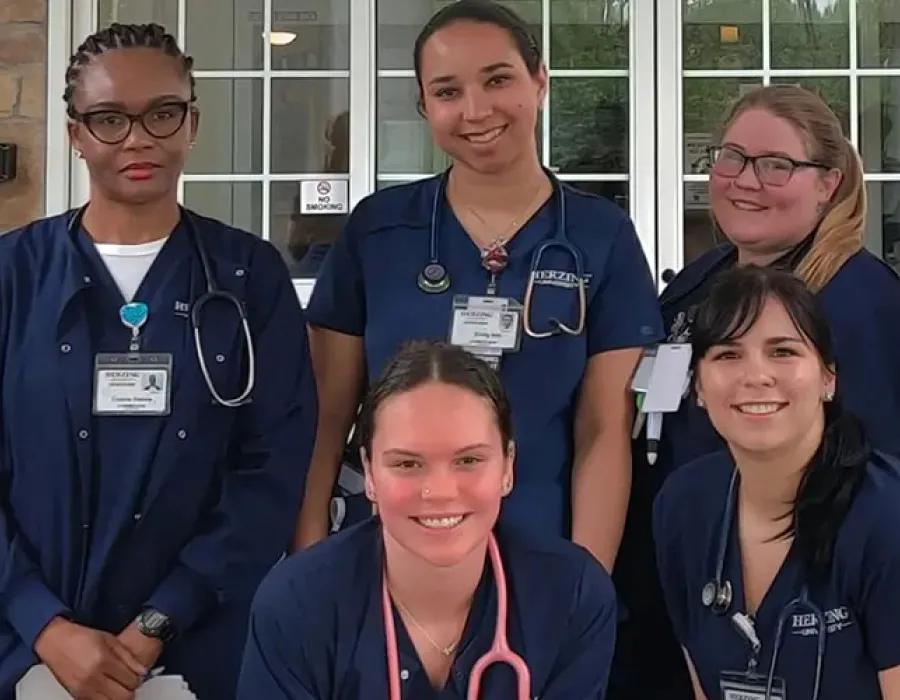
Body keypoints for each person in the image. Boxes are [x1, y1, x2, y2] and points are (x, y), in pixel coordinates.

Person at [0, 23, 317, 700]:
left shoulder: (249, 276)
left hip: (201, 650)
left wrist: (158, 622)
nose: (138, 138)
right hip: (23, 649)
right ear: (75, 134)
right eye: (109, 119)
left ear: (191, 124)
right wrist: (43, 623)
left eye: (162, 114)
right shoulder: (11, 276)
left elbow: (273, 466)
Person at [295, 0, 663, 575]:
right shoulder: (379, 231)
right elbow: (323, 419)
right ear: (423, 106)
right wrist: (310, 557)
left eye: (498, 79)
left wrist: (582, 588)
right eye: (447, 92)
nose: (475, 110)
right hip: (382, 556)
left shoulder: (600, 237)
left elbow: (603, 432)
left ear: (539, 82)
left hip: (539, 554)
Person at [610, 84, 900, 700]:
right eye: (732, 157)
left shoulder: (859, 302)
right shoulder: (701, 283)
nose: (745, 179)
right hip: (687, 596)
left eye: (776, 165)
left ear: (829, 182)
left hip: (805, 622)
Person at [238, 341, 618, 699]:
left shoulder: (573, 597)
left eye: (469, 460)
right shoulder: (296, 605)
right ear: (369, 473)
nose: (439, 492)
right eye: (407, 464)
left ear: (508, 467)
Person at [653, 265, 900, 700]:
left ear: (828, 378)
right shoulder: (684, 506)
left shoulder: (885, 518)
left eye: (783, 351)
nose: (756, 376)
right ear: (698, 387)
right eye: (728, 355)